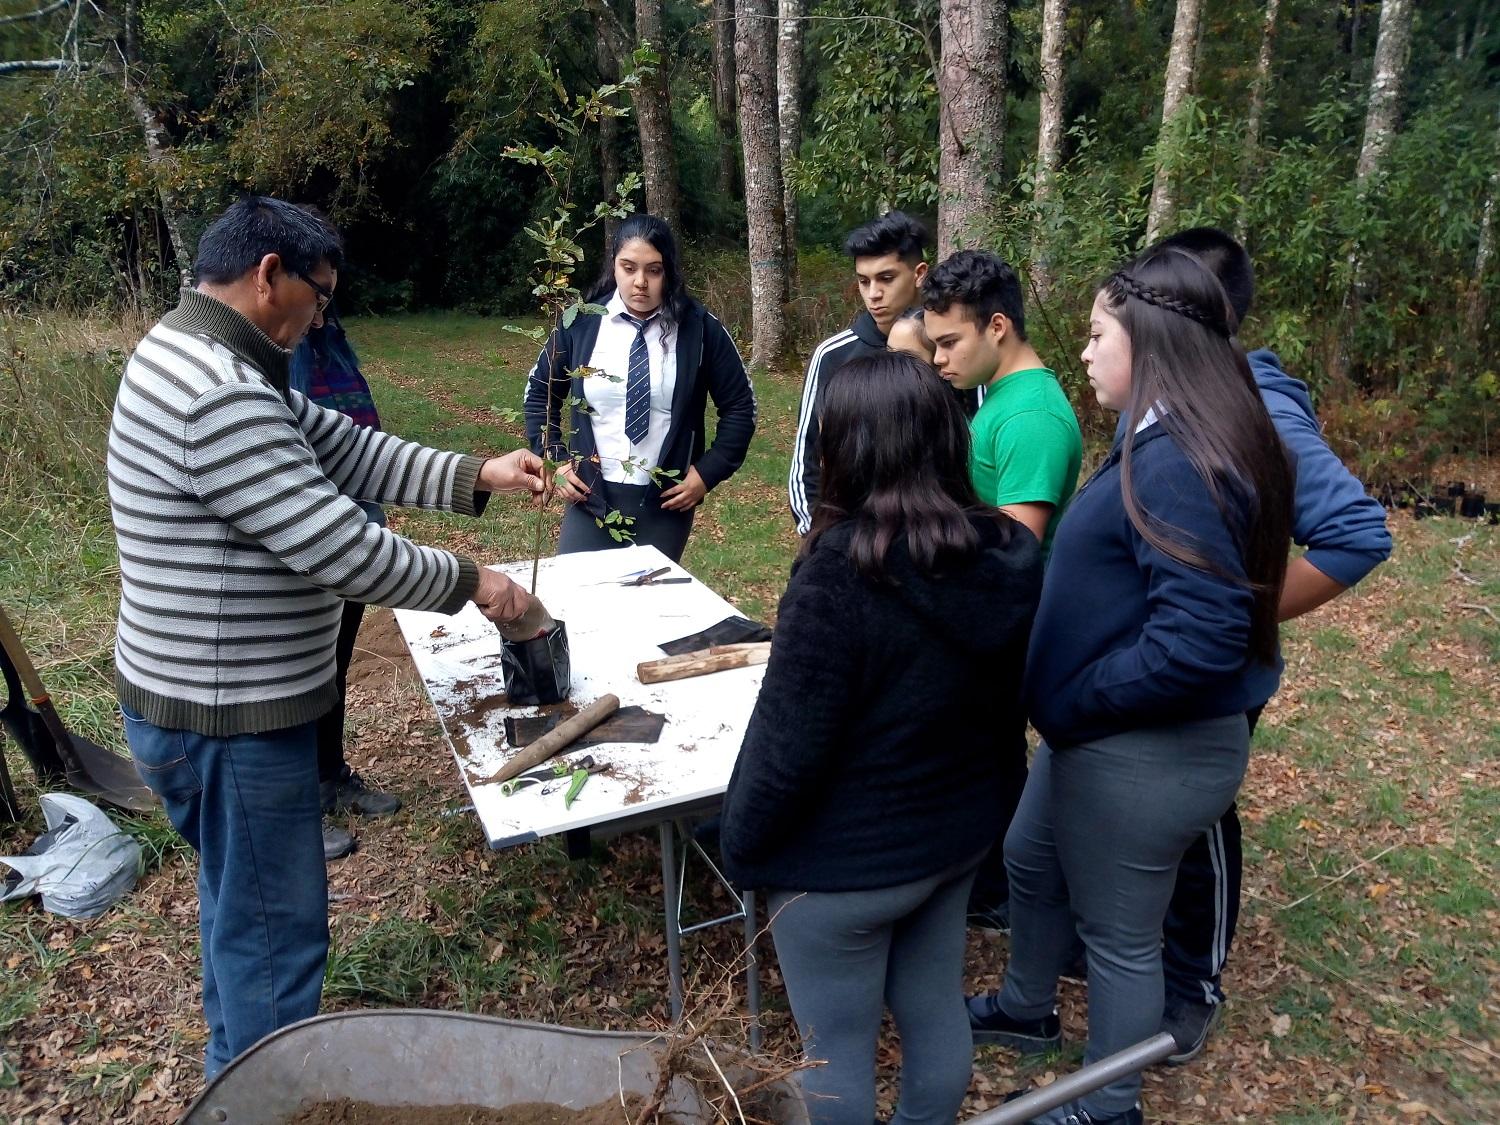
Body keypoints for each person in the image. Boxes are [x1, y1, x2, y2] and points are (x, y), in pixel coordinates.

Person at [109, 195, 546, 1078]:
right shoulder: (217, 395)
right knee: (275, 947)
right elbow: (343, 549)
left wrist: (477, 473)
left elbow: (341, 447)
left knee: (240, 917)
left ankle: (231, 1079)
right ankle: (266, 1092)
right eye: (320, 294)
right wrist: (476, 583)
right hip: (229, 721)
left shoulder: (204, 351)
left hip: (196, 704)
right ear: (270, 276)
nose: (322, 314)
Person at [966, 245, 1294, 1125]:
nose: (1083, 351)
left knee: (1118, 936)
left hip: (1144, 750)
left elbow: (1201, 641)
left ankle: (1106, 1104)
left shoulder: (1183, 461)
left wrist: (1077, 697)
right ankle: (1026, 1009)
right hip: (1097, 740)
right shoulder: (1156, 432)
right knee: (1032, 861)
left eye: (1097, 332)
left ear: (1145, 339)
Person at [721, 353, 1042, 1125]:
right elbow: (1002, 709)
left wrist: (739, 847)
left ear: (847, 451)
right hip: (953, 841)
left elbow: (787, 749)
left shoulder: (839, 576)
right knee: (934, 1011)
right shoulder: (1003, 554)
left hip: (846, 867)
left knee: (834, 1049)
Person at [1149, 228, 1392, 1063]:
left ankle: (1193, 984)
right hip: (1160, 657)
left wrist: (1243, 613)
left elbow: (1358, 533)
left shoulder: (1257, 398)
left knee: (1201, 817)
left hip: (1217, 668)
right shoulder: (1170, 385)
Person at [920, 249, 1083, 931]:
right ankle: (994, 881)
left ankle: (1004, 889)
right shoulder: (1004, 401)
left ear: (996, 326)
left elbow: (1014, 548)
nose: (938, 360)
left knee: (991, 757)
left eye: (949, 342)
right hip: (985, 621)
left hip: (1007, 626)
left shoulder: (1030, 419)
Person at [524, 213, 756, 563]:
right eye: (628, 268)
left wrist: (706, 473)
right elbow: (540, 393)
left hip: (665, 502)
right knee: (575, 602)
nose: (640, 282)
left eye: (654, 270)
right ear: (613, 265)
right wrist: (557, 458)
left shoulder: (699, 329)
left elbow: (741, 406)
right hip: (591, 496)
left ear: (669, 272)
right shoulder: (581, 323)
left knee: (648, 607)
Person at [288, 305, 402, 862]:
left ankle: (329, 776)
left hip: (355, 530)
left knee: (332, 667)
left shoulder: (330, 345)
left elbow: (360, 442)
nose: (322, 308)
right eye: (315, 291)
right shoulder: (263, 366)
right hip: (307, 544)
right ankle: (292, 809)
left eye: (330, 296)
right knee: (295, 680)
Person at [788, 211, 931, 535]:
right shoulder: (833, 355)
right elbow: (804, 460)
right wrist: (818, 539)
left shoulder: (948, 352)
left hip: (934, 542)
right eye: (864, 281)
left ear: (919, 273)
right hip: (848, 539)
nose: (873, 294)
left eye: (886, 278)